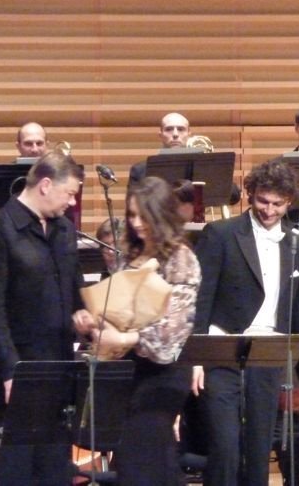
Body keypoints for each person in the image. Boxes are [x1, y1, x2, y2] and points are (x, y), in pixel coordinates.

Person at [191, 159, 299, 486]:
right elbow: (201, 298)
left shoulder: (296, 244)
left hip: (268, 352)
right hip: (221, 351)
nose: (269, 209)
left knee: (259, 444)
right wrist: (195, 359)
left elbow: (298, 309)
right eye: (263, 201)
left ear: (289, 201)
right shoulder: (220, 234)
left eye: (278, 203)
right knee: (224, 446)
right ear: (250, 194)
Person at [0, 151, 93, 485]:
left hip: (60, 368)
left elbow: (75, 287)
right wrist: (11, 373)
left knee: (56, 469)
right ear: (46, 184)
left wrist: (83, 317)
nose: (71, 202)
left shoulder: (64, 230)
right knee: (20, 471)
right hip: (19, 371)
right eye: (69, 193)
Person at [90, 176, 201, 486]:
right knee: (145, 462)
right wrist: (95, 321)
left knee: (141, 460)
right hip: (129, 372)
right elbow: (118, 309)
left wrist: (125, 337)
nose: (136, 223)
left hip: (163, 374)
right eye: (131, 215)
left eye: (143, 215)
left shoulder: (181, 259)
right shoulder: (129, 256)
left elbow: (171, 334)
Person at [0, 122, 49, 207]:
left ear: (47, 145)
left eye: (39, 143)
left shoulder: (60, 174)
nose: (34, 149)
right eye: (28, 144)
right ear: (18, 146)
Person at [128, 112, 192, 186]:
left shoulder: (203, 167)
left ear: (189, 134)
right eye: (169, 129)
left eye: (181, 129)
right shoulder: (139, 170)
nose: (175, 134)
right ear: (160, 135)